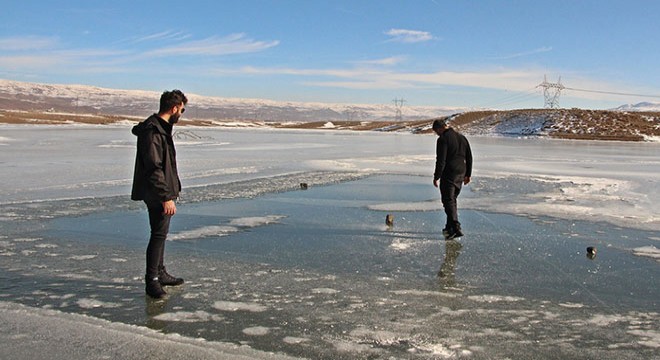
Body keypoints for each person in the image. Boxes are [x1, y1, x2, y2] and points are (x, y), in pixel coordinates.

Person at [131, 89, 188, 298]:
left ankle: (161, 272)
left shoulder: (161, 128)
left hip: (160, 190)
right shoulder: (153, 132)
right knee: (157, 235)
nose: (181, 114)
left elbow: (165, 165)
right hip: (157, 192)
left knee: (160, 233)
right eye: (181, 110)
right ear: (174, 108)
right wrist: (166, 196)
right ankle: (152, 281)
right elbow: (154, 167)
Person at [432, 118, 472, 240]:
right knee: (452, 200)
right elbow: (469, 157)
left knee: (448, 200)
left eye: (436, 131)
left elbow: (441, 160)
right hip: (461, 172)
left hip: (449, 173)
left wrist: (436, 176)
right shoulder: (462, 137)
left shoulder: (443, 139)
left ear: (440, 128)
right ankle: (449, 227)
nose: (436, 134)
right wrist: (468, 174)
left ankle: (455, 227)